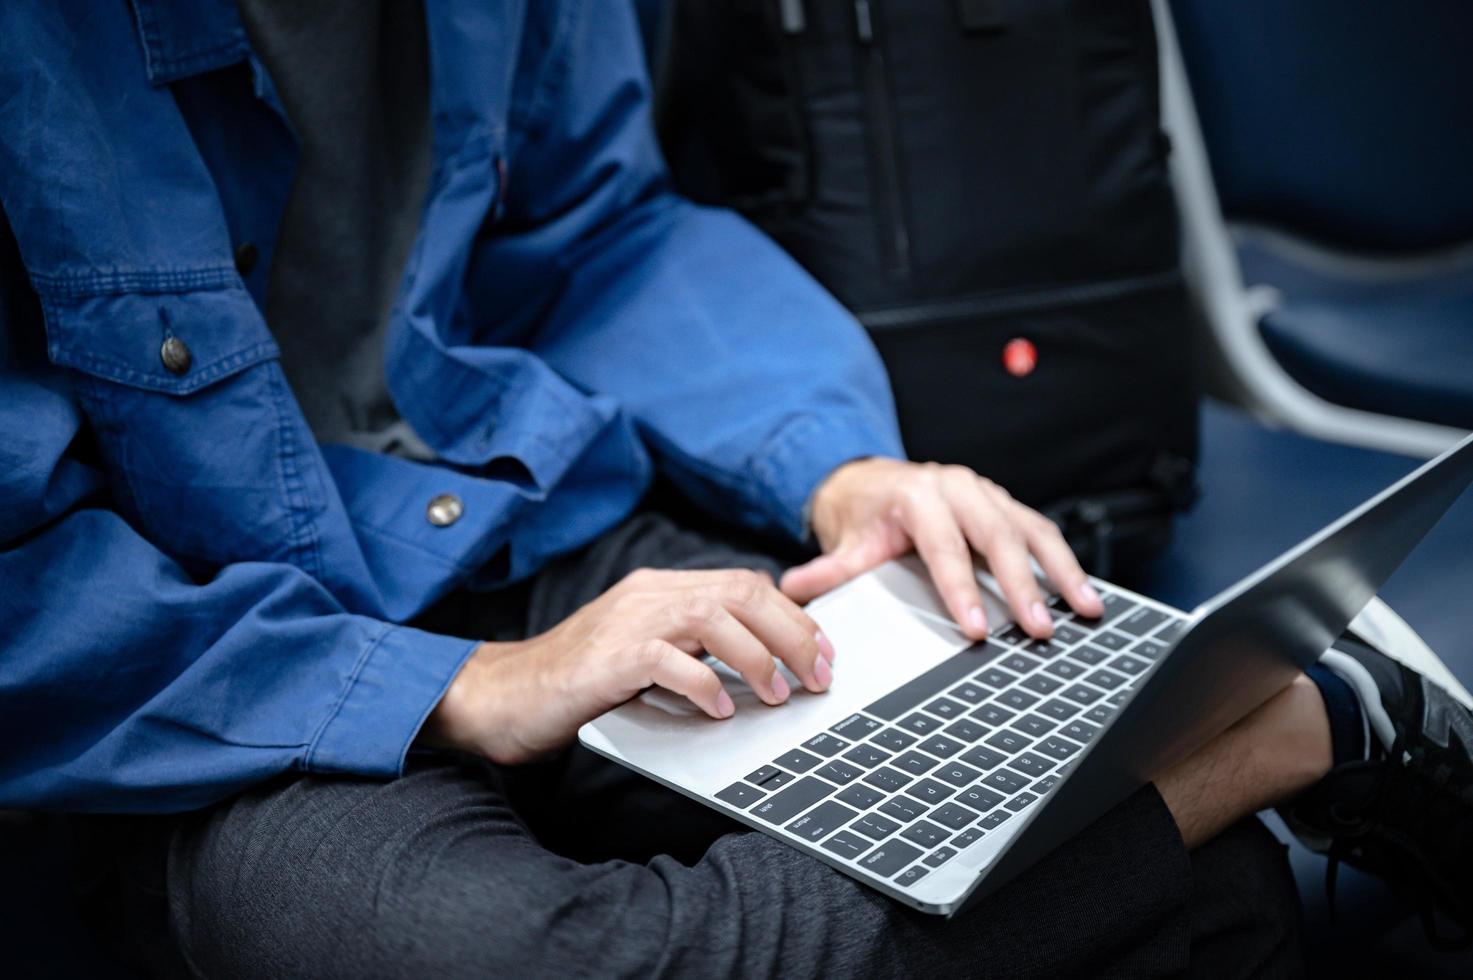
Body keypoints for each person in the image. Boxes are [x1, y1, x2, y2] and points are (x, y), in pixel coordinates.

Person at [0, 1, 1469, 976]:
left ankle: (1189, 794)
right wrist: (454, 686)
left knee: (1171, 878)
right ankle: (1275, 746)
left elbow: (596, 235)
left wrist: (837, 468)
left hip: (517, 519)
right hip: (211, 668)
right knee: (481, 955)